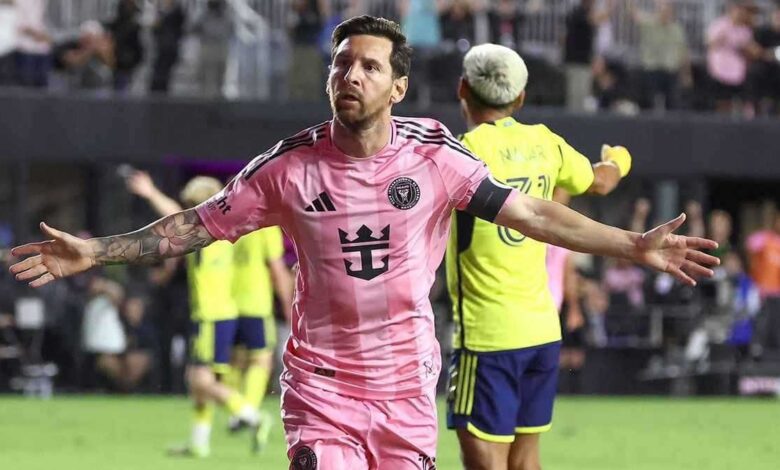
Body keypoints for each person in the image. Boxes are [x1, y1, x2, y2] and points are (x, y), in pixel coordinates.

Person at [10, 16, 719, 469]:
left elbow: (532, 213)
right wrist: (96, 251)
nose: (350, 74)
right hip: (323, 388)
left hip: (407, 386)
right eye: (341, 62)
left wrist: (632, 244)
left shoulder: (436, 157)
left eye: (370, 65)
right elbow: (195, 226)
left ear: (398, 87)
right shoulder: (287, 168)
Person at [445, 43, 632, 470]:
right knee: (526, 462)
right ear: (520, 98)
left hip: (487, 337)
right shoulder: (545, 143)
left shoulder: (459, 153)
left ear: (462, 89)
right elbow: (600, 182)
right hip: (542, 334)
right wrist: (619, 159)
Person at [125, 169, 294, 449]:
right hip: (225, 311)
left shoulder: (205, 229)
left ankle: (249, 415)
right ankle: (200, 442)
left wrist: (151, 192)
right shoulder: (229, 228)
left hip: (210, 314)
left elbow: (173, 215)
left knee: (198, 379)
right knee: (205, 379)